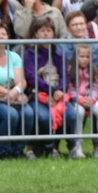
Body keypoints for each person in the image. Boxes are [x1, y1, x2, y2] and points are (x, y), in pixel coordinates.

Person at [21, 14, 73, 157]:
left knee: (71, 115)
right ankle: (46, 147)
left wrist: (59, 91)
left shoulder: (59, 53)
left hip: (58, 95)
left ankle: (56, 145)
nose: (46, 34)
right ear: (35, 33)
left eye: (49, 30)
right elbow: (32, 77)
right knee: (44, 117)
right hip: (36, 95)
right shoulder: (29, 54)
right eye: (42, 30)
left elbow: (65, 76)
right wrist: (51, 91)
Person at [0, 21, 35, 157]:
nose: (1, 36)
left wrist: (15, 92)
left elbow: (22, 81)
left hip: (13, 96)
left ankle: (18, 150)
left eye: (4, 34)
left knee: (28, 113)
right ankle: (3, 150)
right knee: (10, 114)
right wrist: (10, 93)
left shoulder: (14, 56)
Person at [64, 13, 98, 158]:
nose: (79, 27)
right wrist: (80, 99)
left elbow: (97, 82)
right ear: (68, 28)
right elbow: (69, 84)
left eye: (81, 24)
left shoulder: (93, 45)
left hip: (91, 96)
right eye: (74, 24)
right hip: (75, 97)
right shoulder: (64, 47)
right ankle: (76, 146)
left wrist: (92, 98)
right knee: (79, 112)